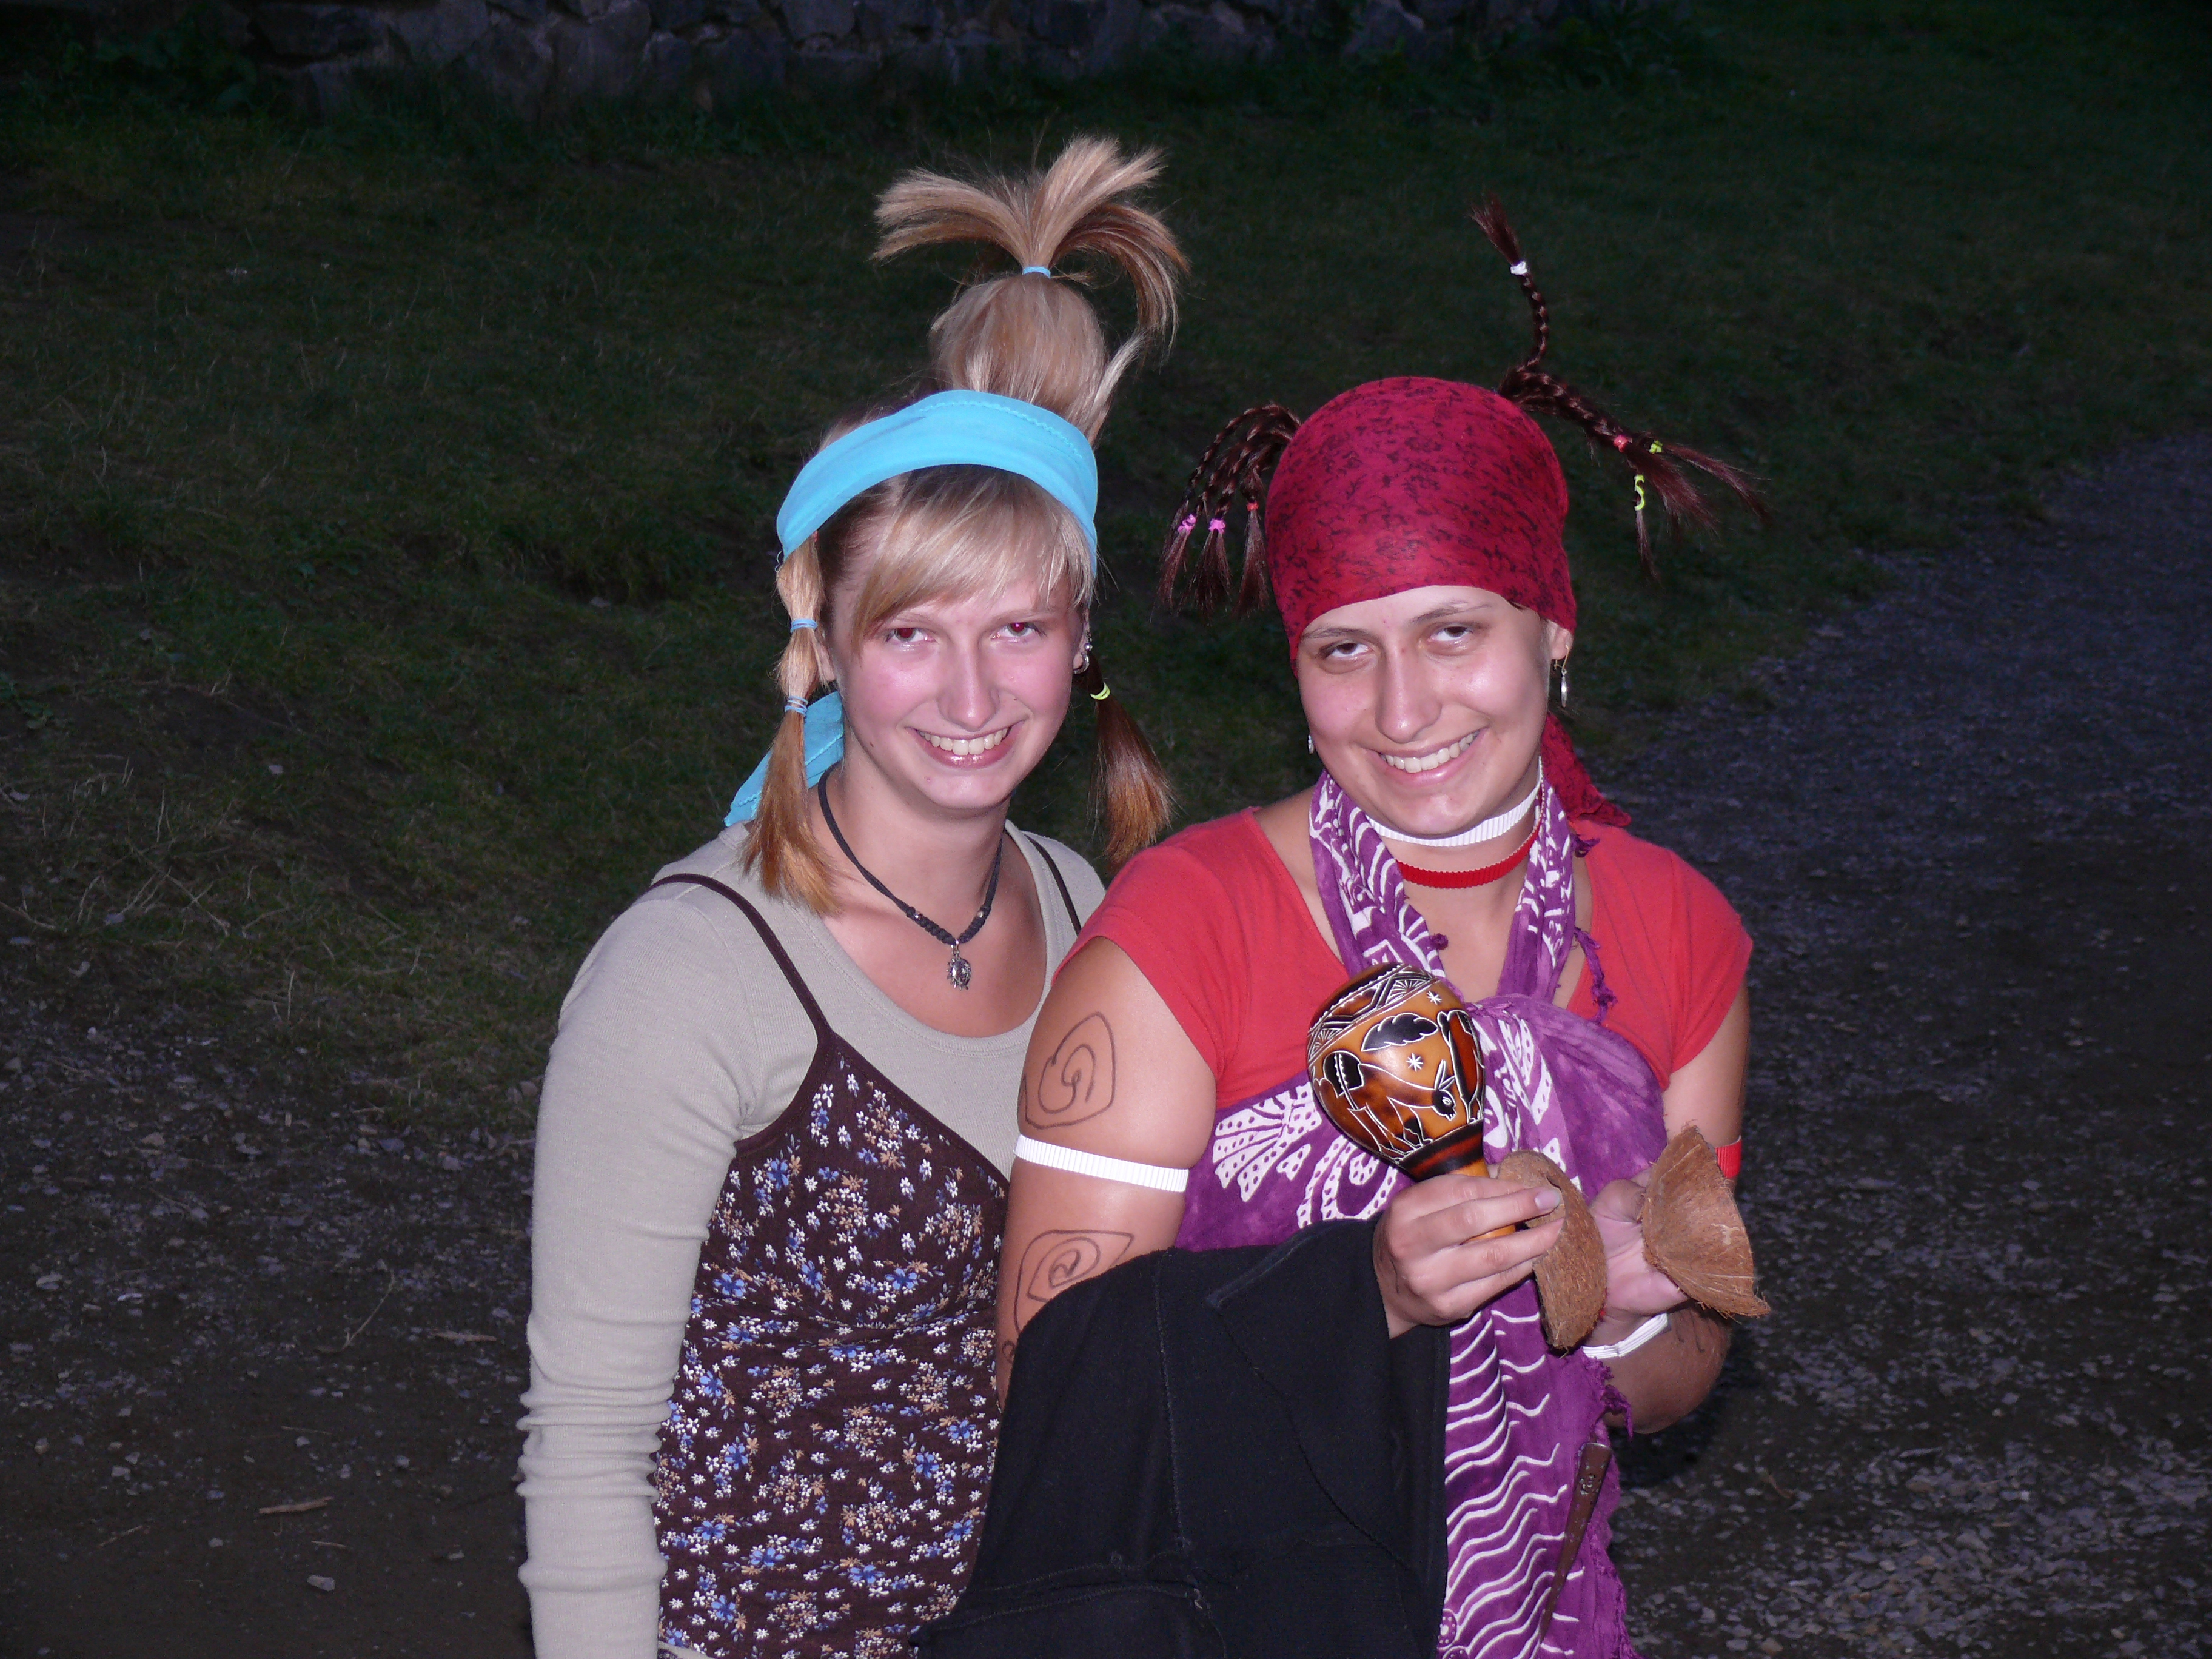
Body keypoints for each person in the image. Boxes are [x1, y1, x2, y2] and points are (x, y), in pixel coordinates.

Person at [994, 199, 1762, 1658]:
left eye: (1454, 632)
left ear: (1555, 626)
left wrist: (1609, 1312)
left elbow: (1689, 1364)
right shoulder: (1186, 931)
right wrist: (1369, 1299)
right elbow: (1054, 1380)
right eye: (1344, 649)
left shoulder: (1677, 932)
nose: (1404, 713)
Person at [516, 136, 1185, 1659]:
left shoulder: (1084, 903)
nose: (972, 694)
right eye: (910, 633)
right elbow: (588, 1447)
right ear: (822, 639)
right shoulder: (690, 975)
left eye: (1019, 629)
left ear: (1083, 639)